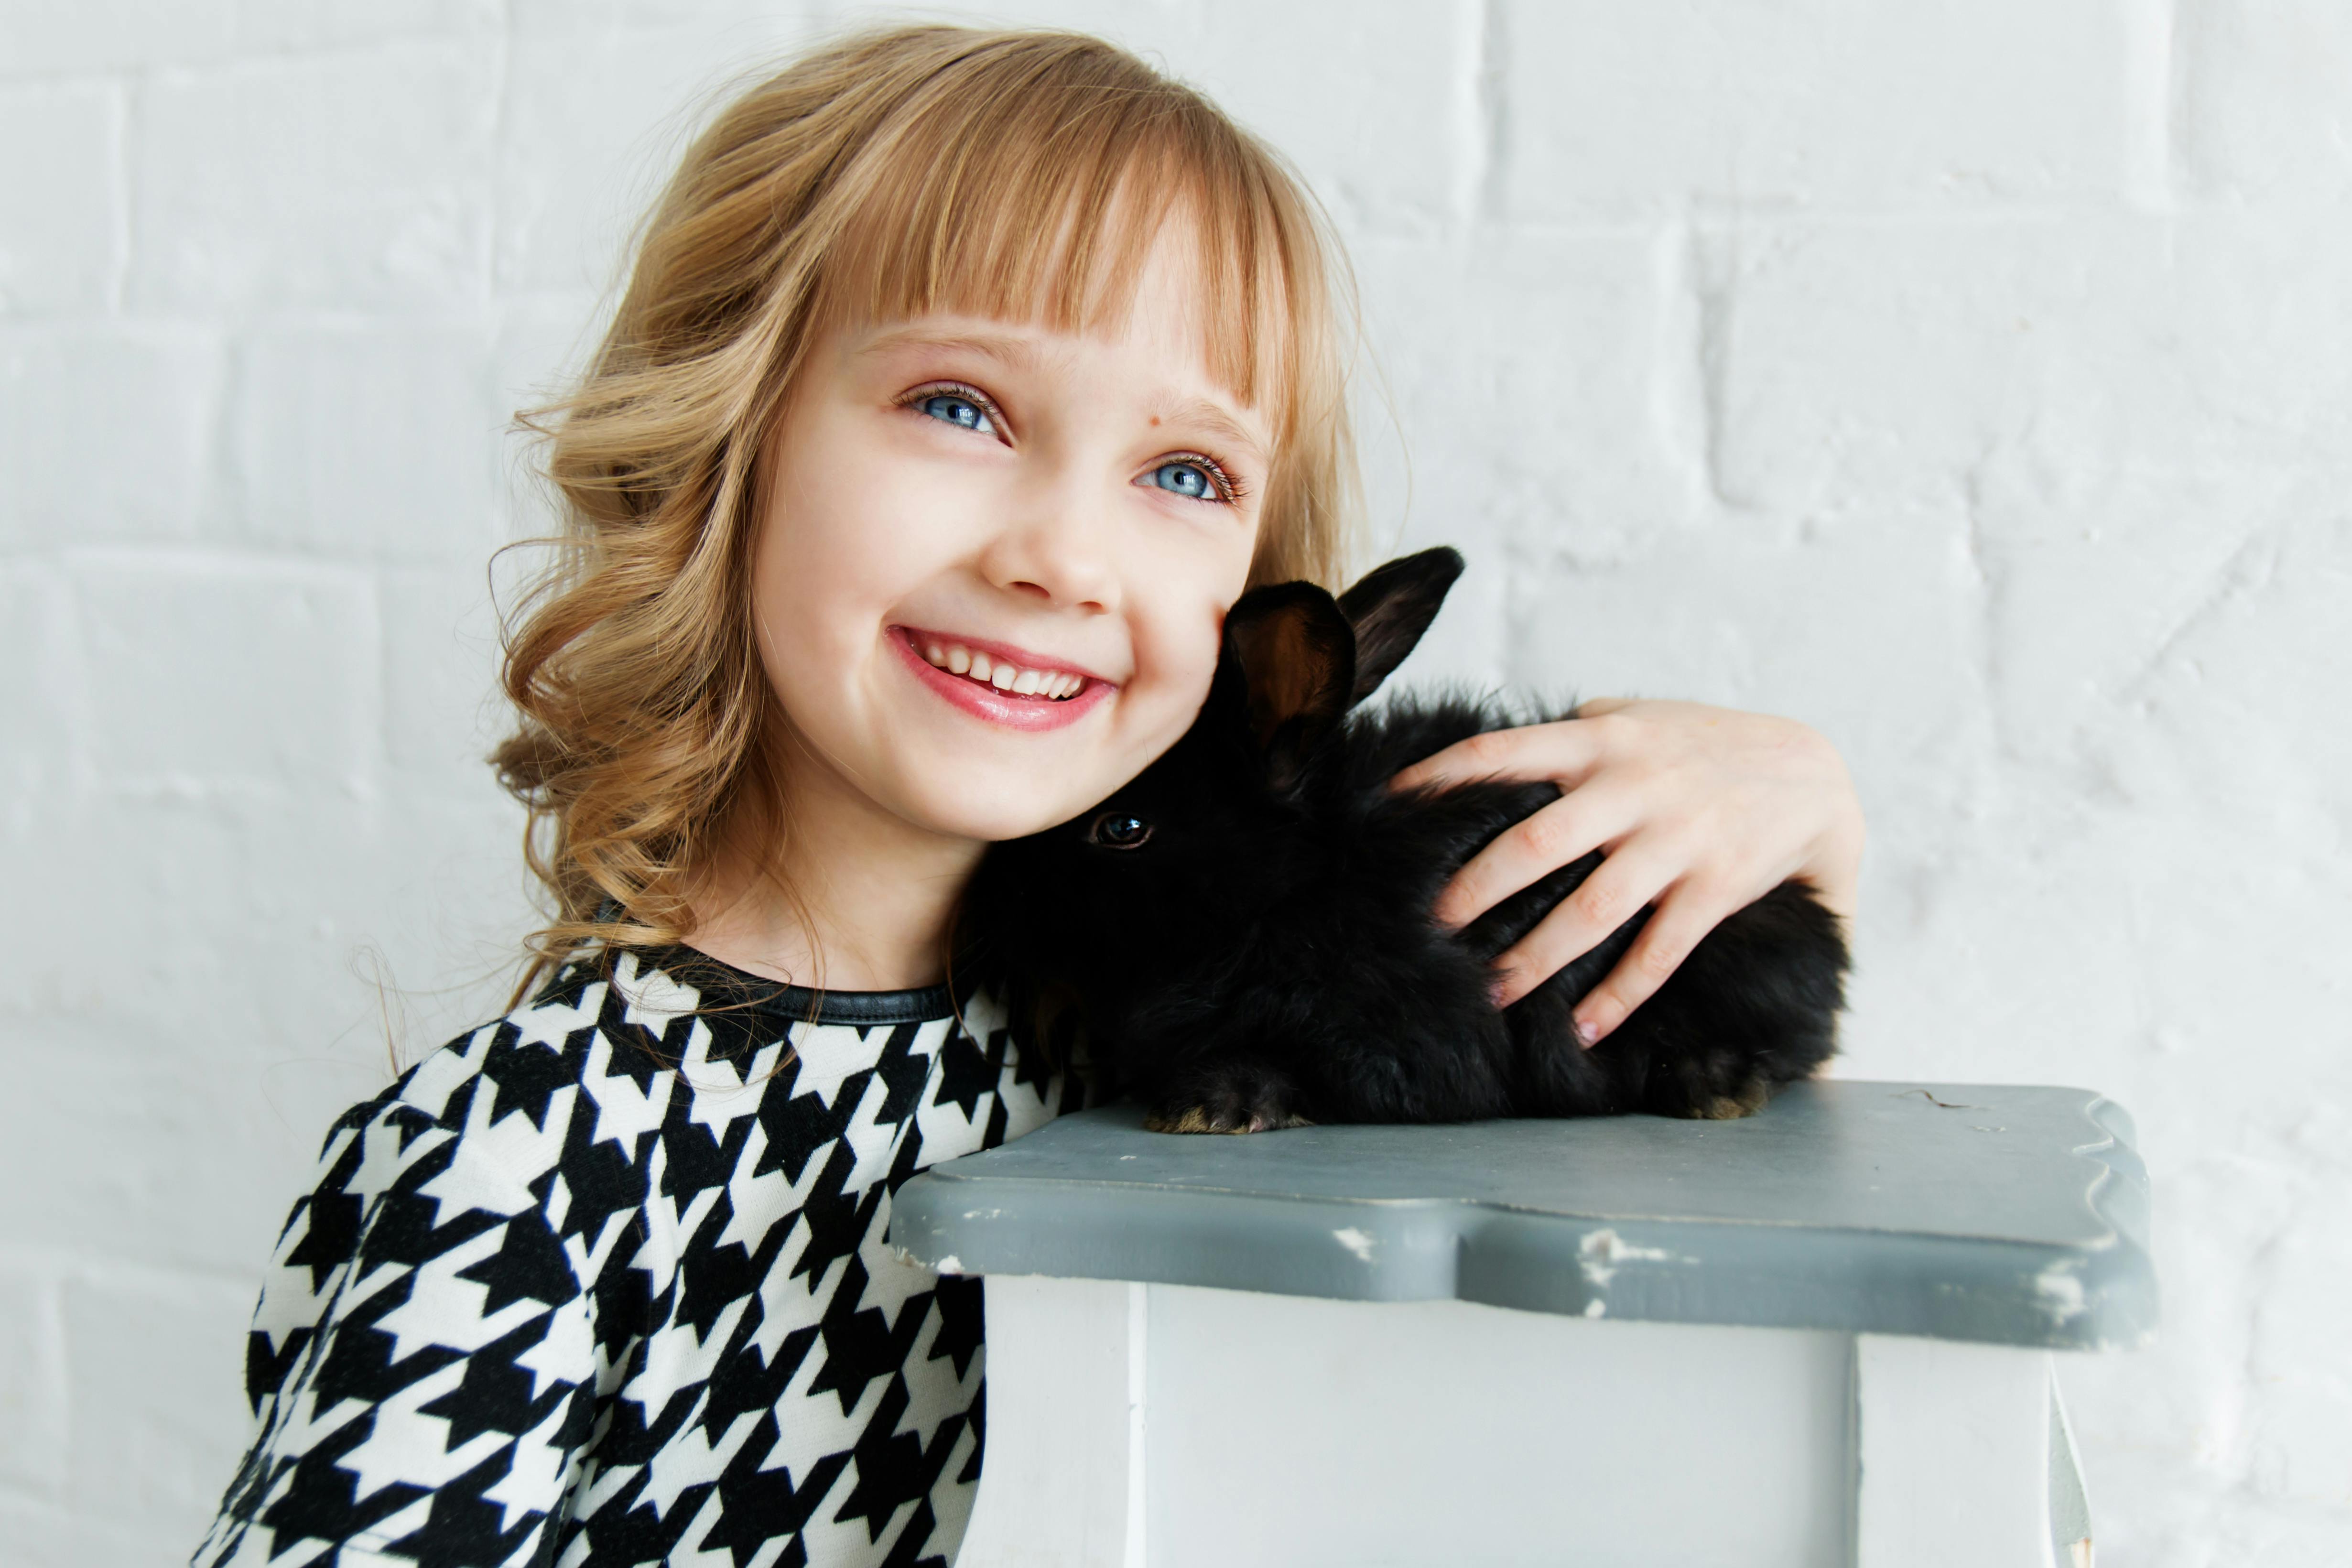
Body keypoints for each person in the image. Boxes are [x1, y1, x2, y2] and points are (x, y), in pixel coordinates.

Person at [194, 24, 1864, 1567]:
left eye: (1182, 473)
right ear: (730, 430)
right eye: (957, 405)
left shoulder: (1160, 1028)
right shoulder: (539, 1152)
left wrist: (1806, 812)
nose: (1065, 555)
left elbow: (1651, 1099)